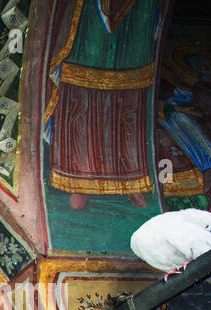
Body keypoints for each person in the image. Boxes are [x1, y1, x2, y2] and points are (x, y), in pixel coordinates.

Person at [46, 0, 159, 210]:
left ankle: (131, 182)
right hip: (87, 33)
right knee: (80, 109)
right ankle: (78, 183)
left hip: (132, 35)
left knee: (128, 110)